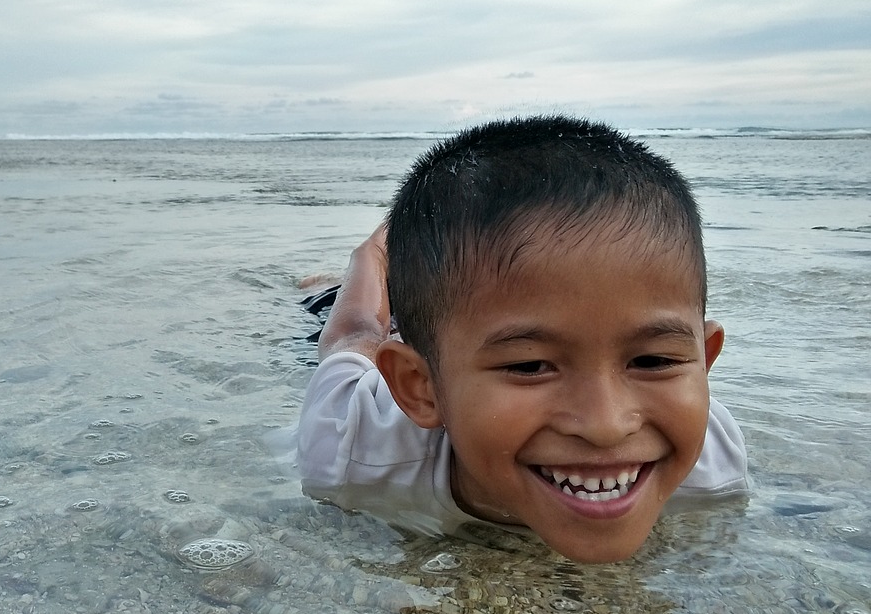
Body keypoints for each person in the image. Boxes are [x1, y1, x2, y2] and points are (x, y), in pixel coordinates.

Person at [296, 115, 748, 563]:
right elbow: (350, 337)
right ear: (420, 387)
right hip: (373, 327)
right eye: (529, 366)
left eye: (652, 361)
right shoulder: (351, 449)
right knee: (339, 311)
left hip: (464, 326)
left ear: (704, 362)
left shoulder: (714, 464)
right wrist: (374, 256)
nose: (606, 426)